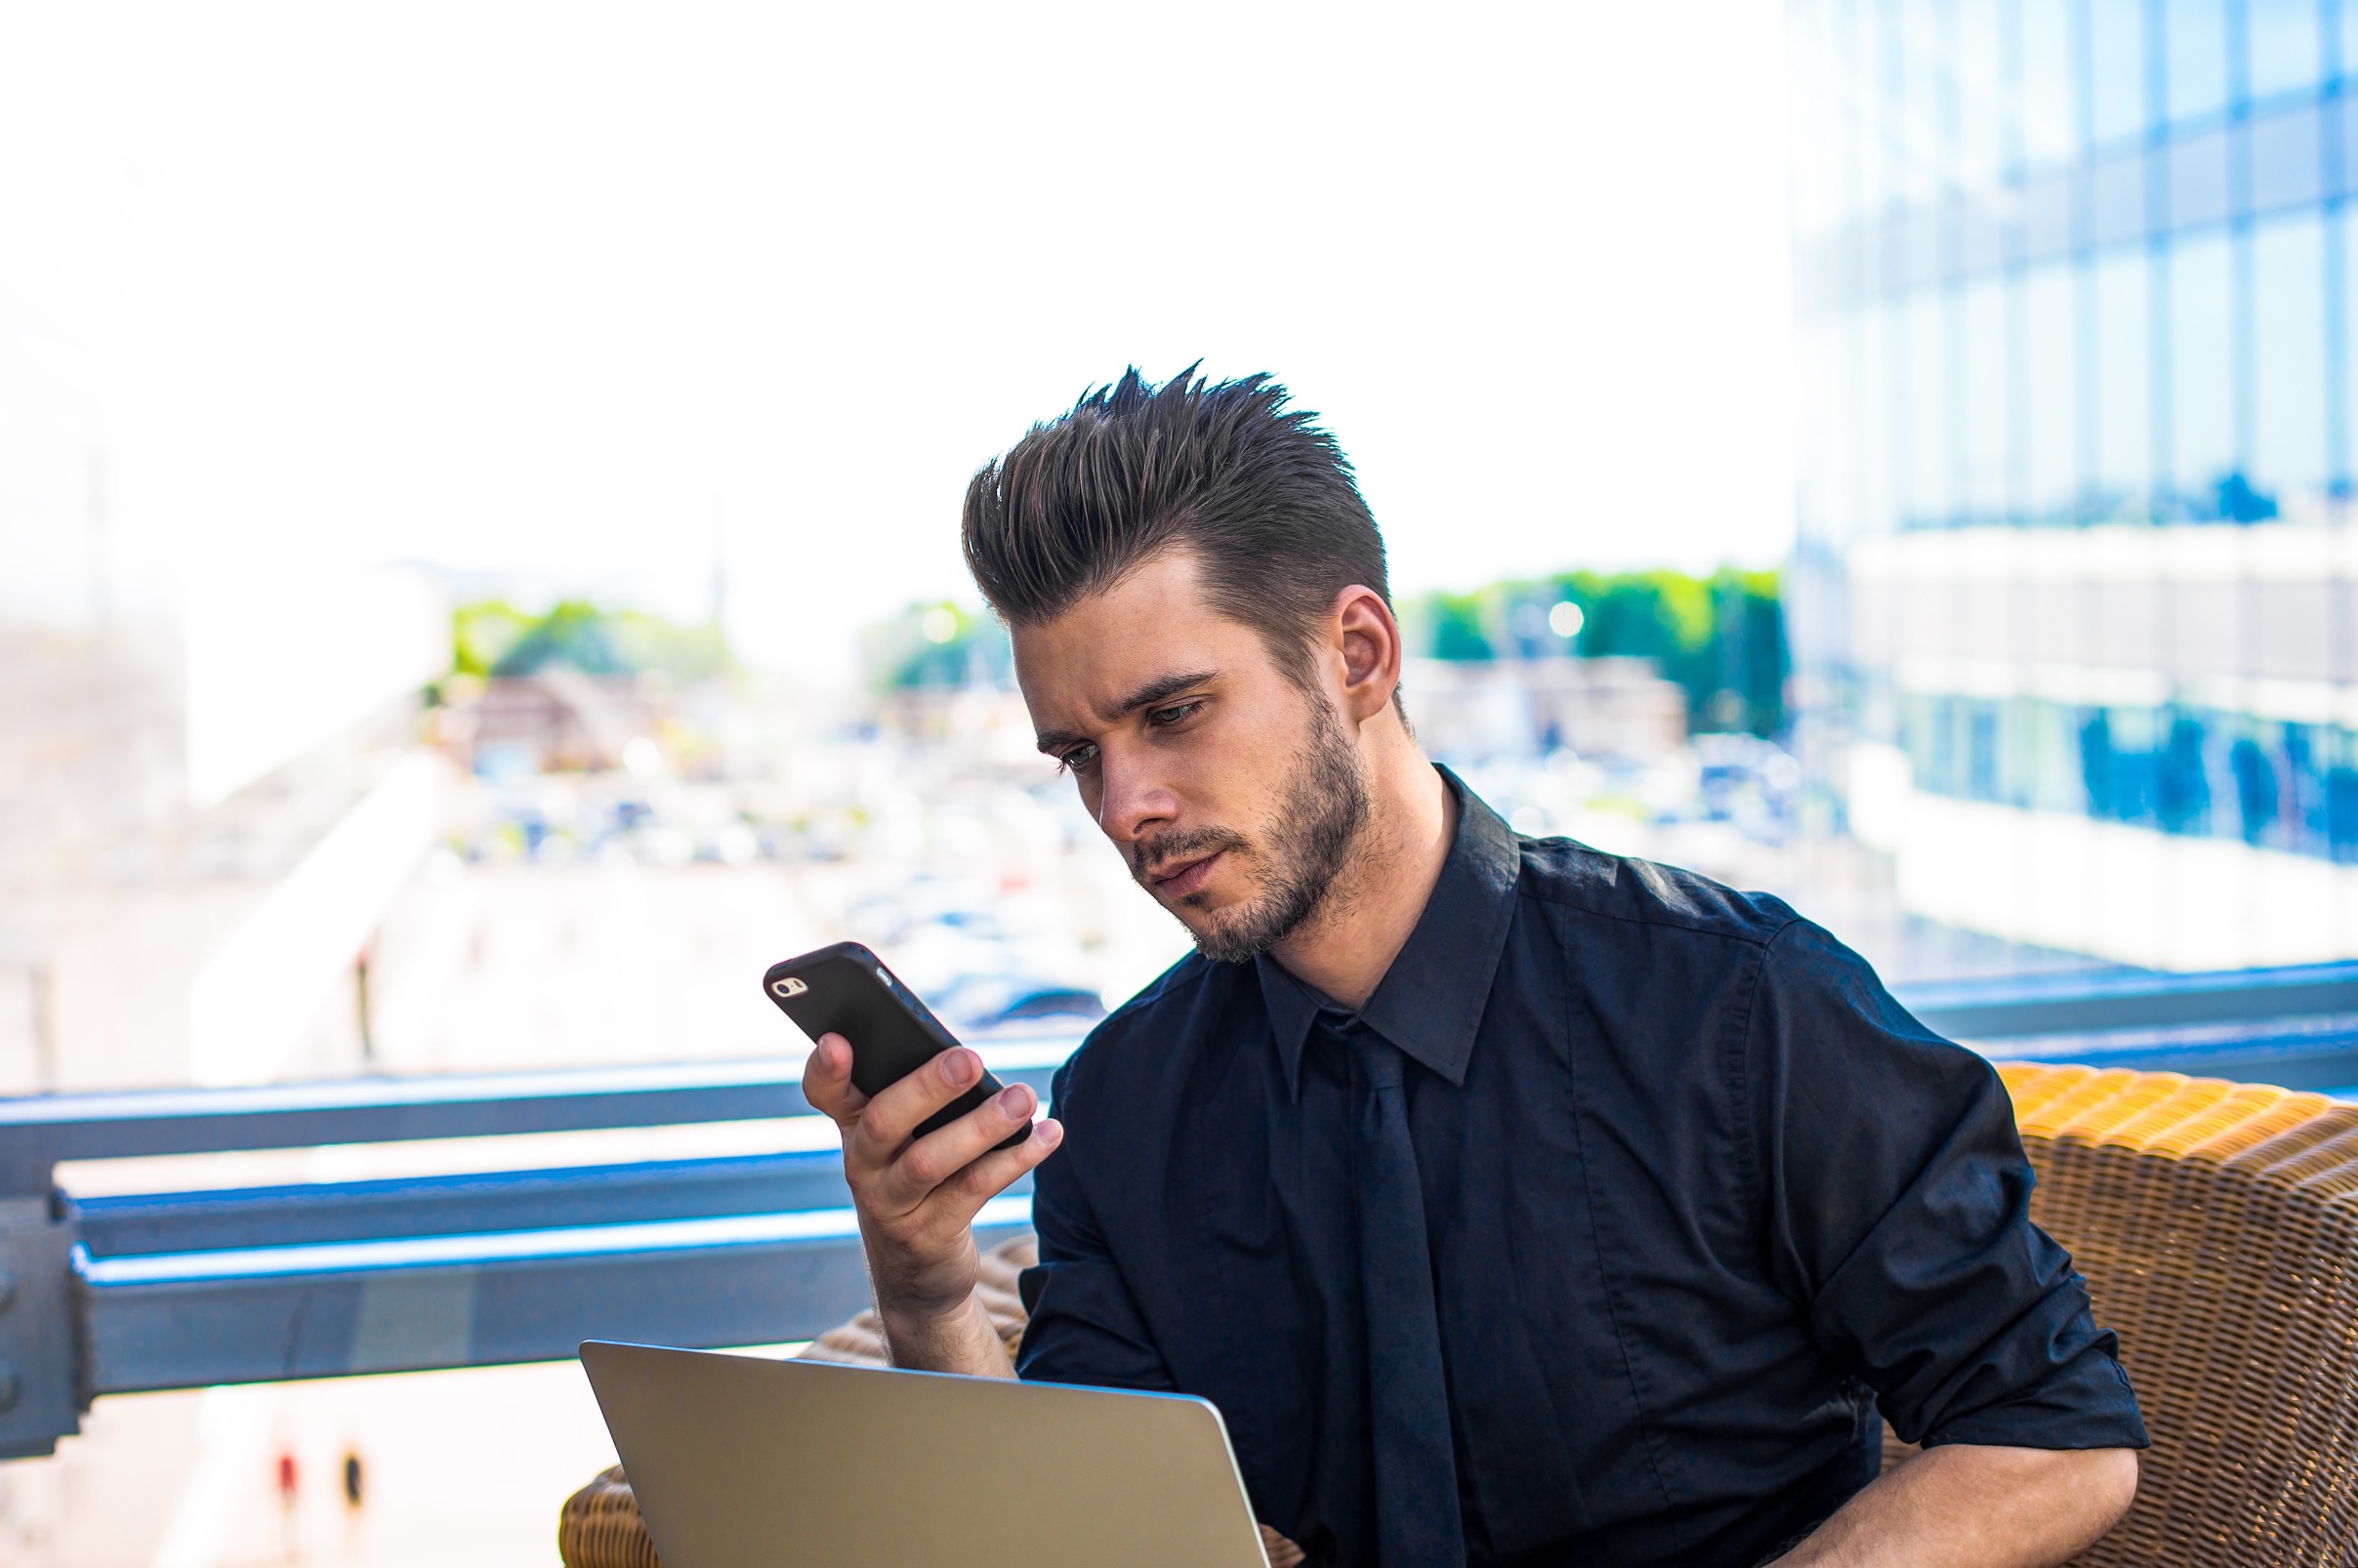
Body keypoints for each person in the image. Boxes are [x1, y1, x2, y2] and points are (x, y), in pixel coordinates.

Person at [801, 367, 2145, 1568]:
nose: (1126, 804)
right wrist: (926, 1294)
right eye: (1080, 752)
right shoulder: (1126, 1108)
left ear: (1360, 657)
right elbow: (1089, 1532)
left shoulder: (1734, 1007)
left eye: (1173, 713)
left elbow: (2053, 1432)